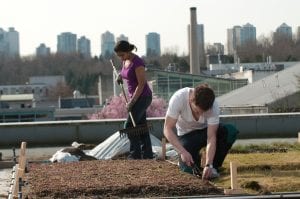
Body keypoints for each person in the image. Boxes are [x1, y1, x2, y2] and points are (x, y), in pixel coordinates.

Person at [163, 84, 238, 180]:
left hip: (205, 132)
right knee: (189, 172)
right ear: (191, 100)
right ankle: (195, 161)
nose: (201, 115)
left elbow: (211, 137)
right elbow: (167, 128)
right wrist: (182, 151)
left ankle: (213, 168)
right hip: (187, 135)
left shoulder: (213, 105)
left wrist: (209, 164)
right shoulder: (178, 99)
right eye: (198, 111)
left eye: (204, 112)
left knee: (229, 131)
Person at [114, 40, 153, 159]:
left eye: (122, 55)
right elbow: (124, 72)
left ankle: (135, 154)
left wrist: (132, 102)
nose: (120, 58)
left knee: (129, 125)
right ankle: (147, 154)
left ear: (128, 51)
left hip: (143, 97)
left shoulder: (138, 62)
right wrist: (119, 76)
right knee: (140, 125)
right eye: (118, 56)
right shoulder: (125, 60)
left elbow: (141, 84)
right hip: (135, 97)